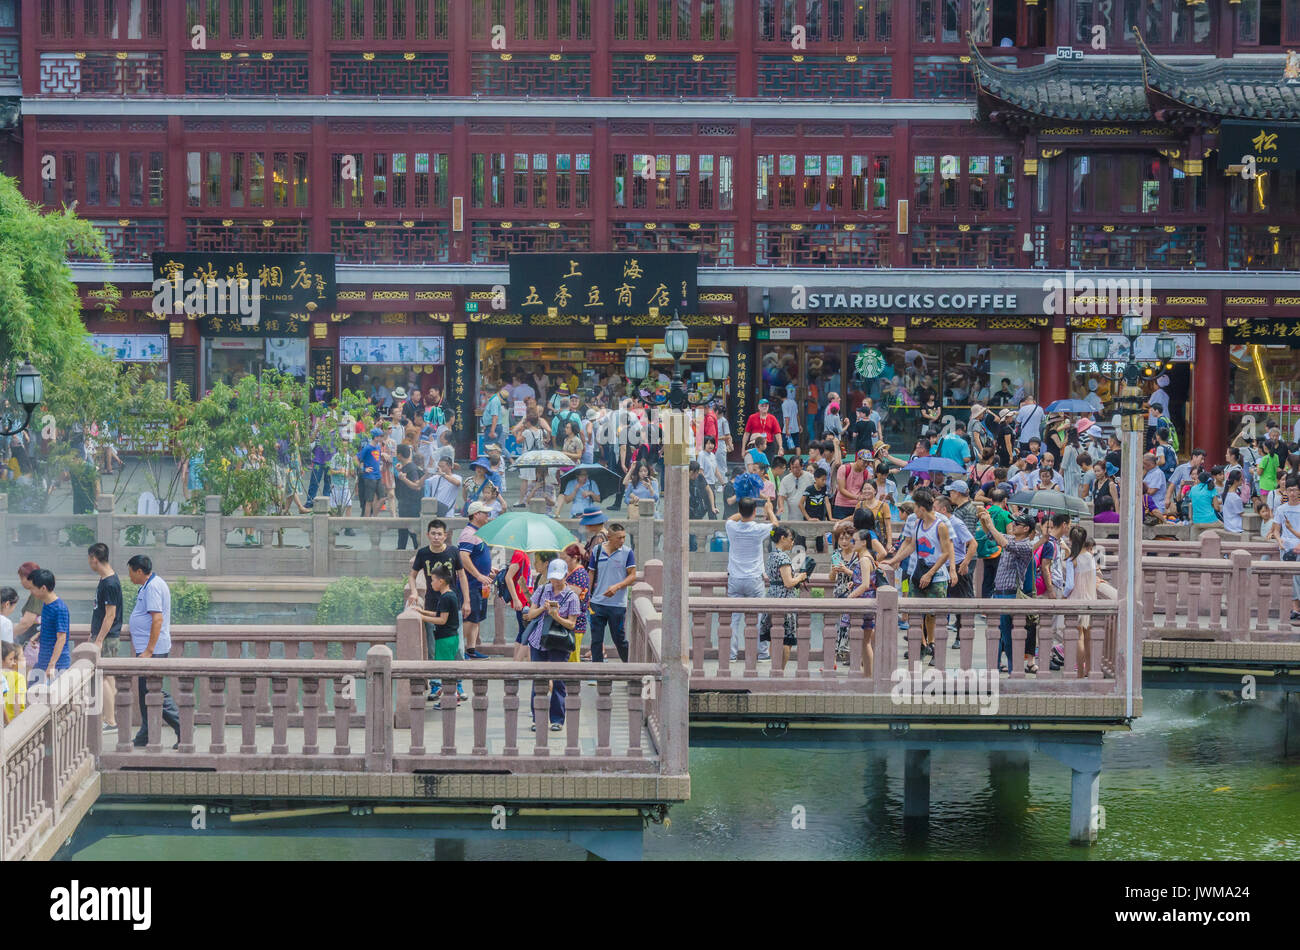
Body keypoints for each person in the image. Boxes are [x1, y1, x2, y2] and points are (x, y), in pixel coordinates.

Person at [881, 487, 952, 662]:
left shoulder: (940, 525)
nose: (914, 510)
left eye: (915, 507)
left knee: (933, 614)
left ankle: (934, 645)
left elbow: (945, 552)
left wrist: (931, 573)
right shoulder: (917, 524)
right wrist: (893, 560)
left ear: (922, 508)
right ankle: (922, 644)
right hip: (918, 572)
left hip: (936, 576)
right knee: (915, 611)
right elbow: (911, 546)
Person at [977, 508, 1051, 675]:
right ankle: (995, 668)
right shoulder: (1012, 538)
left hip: (1010, 594)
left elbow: (1004, 543)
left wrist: (990, 524)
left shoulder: (1025, 545)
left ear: (1026, 529)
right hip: (999, 593)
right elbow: (990, 534)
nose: (1014, 525)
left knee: (1009, 639)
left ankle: (1013, 671)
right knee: (997, 635)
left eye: (1018, 523)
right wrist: (984, 518)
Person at [125, 555, 181, 748]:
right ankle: (146, 733)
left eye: (131, 572)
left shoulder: (154, 586)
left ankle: (183, 727)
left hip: (153, 650)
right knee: (145, 692)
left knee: (153, 691)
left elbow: (157, 619)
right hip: (148, 648)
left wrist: (149, 650)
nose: (130, 576)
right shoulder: (149, 585)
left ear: (139, 571)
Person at [524, 558, 581, 731]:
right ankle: (537, 718)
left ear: (565, 576)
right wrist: (543, 609)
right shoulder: (542, 590)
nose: (555, 582)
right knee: (538, 680)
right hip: (538, 640)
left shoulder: (572, 597)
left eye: (559, 578)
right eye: (552, 578)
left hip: (559, 642)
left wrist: (556, 616)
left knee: (558, 681)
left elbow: (572, 625)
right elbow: (530, 614)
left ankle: (557, 719)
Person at [726, 496, 777, 661]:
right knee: (760, 617)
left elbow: (730, 518)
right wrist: (769, 510)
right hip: (754, 579)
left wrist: (741, 513)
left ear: (740, 511)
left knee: (733, 619)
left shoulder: (731, 527)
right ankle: (762, 653)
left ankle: (731, 655)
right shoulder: (758, 529)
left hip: (735, 578)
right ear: (756, 511)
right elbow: (776, 526)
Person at [587, 521, 637, 663]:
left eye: (623, 537)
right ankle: (597, 672)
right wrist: (588, 596)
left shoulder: (627, 552)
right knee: (596, 640)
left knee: (619, 639)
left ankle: (630, 667)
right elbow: (591, 573)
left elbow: (632, 575)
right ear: (609, 537)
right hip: (597, 602)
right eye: (619, 538)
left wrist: (617, 587)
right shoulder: (597, 550)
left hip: (617, 605)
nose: (622, 541)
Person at [762, 526, 809, 671]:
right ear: (782, 538)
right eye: (790, 538)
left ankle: (774, 669)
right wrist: (800, 577)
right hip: (784, 597)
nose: (792, 542)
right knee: (786, 639)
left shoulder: (772, 555)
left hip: (772, 594)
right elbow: (788, 583)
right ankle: (780, 670)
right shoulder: (783, 557)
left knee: (774, 636)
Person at [415, 564, 461, 706]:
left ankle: (451, 700)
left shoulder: (446, 597)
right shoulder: (449, 595)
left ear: (441, 581)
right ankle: (454, 695)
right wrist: (423, 612)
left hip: (445, 639)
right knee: (448, 668)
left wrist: (422, 618)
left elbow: (442, 620)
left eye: (433, 580)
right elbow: (439, 613)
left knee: (446, 670)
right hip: (451, 638)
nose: (431, 583)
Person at [88, 543, 123, 730]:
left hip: (107, 637)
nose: (89, 563)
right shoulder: (106, 579)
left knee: (103, 677)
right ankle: (109, 718)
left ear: (94, 558)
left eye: (89, 559)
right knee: (108, 677)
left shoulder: (109, 582)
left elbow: (110, 615)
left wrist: (99, 640)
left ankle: (110, 720)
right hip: (105, 635)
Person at [941, 482, 980, 647]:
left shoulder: (968, 511)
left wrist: (965, 562)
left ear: (957, 492)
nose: (950, 496)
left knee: (963, 598)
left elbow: (969, 540)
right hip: (957, 558)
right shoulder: (959, 510)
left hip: (964, 558)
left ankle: (962, 634)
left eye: (951, 492)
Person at [458, 502, 496, 659]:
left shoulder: (479, 533)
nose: (488, 516)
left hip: (481, 585)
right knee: (469, 618)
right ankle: (459, 649)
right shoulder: (468, 533)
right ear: (475, 515)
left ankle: (471, 650)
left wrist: (488, 570)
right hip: (471, 584)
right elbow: (463, 557)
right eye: (484, 513)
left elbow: (477, 556)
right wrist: (478, 575)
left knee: (477, 618)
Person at [29, 568, 71, 685]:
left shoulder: (59, 609)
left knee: (47, 700)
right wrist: (38, 635)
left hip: (57, 666)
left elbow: (61, 638)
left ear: (43, 588)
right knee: (31, 694)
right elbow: (51, 628)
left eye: (33, 588)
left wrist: (51, 665)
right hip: (43, 661)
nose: (31, 591)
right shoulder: (46, 604)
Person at [1066, 526, 1098, 678]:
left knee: (1079, 636)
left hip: (1077, 599)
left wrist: (1063, 596)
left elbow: (1070, 585)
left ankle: (1079, 672)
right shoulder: (1092, 557)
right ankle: (1089, 670)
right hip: (1091, 599)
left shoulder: (1072, 559)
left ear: (1071, 540)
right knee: (1088, 637)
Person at [1267, 477, 1300, 622]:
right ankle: (1295, 608)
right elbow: (1276, 530)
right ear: (1286, 491)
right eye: (1290, 490)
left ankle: (1296, 608)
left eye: (1295, 490)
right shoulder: (1281, 509)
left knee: (1297, 577)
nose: (1292, 493)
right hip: (1286, 546)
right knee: (1290, 577)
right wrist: (1279, 540)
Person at [977, 487, 1012, 597]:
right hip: (1001, 552)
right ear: (1005, 500)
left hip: (987, 551)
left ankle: (984, 609)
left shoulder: (985, 512)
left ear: (991, 500)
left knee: (987, 580)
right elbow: (1010, 536)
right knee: (999, 581)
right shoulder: (1006, 514)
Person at [560, 543, 591, 662]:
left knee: (573, 657)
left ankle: (573, 680)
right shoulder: (569, 572)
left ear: (575, 558)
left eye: (565, 559)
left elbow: (574, 595)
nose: (563, 562)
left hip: (576, 621)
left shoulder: (580, 574)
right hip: (567, 620)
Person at [832, 450, 871, 520]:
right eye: (864, 462)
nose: (866, 464)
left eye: (868, 462)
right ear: (858, 459)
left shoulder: (867, 474)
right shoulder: (844, 468)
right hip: (841, 505)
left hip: (857, 506)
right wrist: (857, 497)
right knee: (841, 527)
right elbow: (841, 489)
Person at [777, 455, 812, 520]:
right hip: (792, 515)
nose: (795, 470)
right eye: (792, 467)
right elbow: (781, 495)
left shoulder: (810, 477)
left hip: (808, 513)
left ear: (802, 466)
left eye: (797, 467)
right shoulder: (785, 479)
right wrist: (781, 507)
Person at [1, 642, 25, 723]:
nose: (25, 659)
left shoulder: (3, 674)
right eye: (22, 656)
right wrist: (16, 723)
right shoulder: (19, 678)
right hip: (11, 720)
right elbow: (17, 701)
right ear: (15, 660)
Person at [781, 387, 801, 452]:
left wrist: (787, 429)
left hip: (788, 429)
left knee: (783, 446)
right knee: (797, 446)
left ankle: (782, 460)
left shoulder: (784, 404)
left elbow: (787, 417)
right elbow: (797, 415)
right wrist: (799, 425)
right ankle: (799, 460)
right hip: (795, 428)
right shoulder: (794, 402)